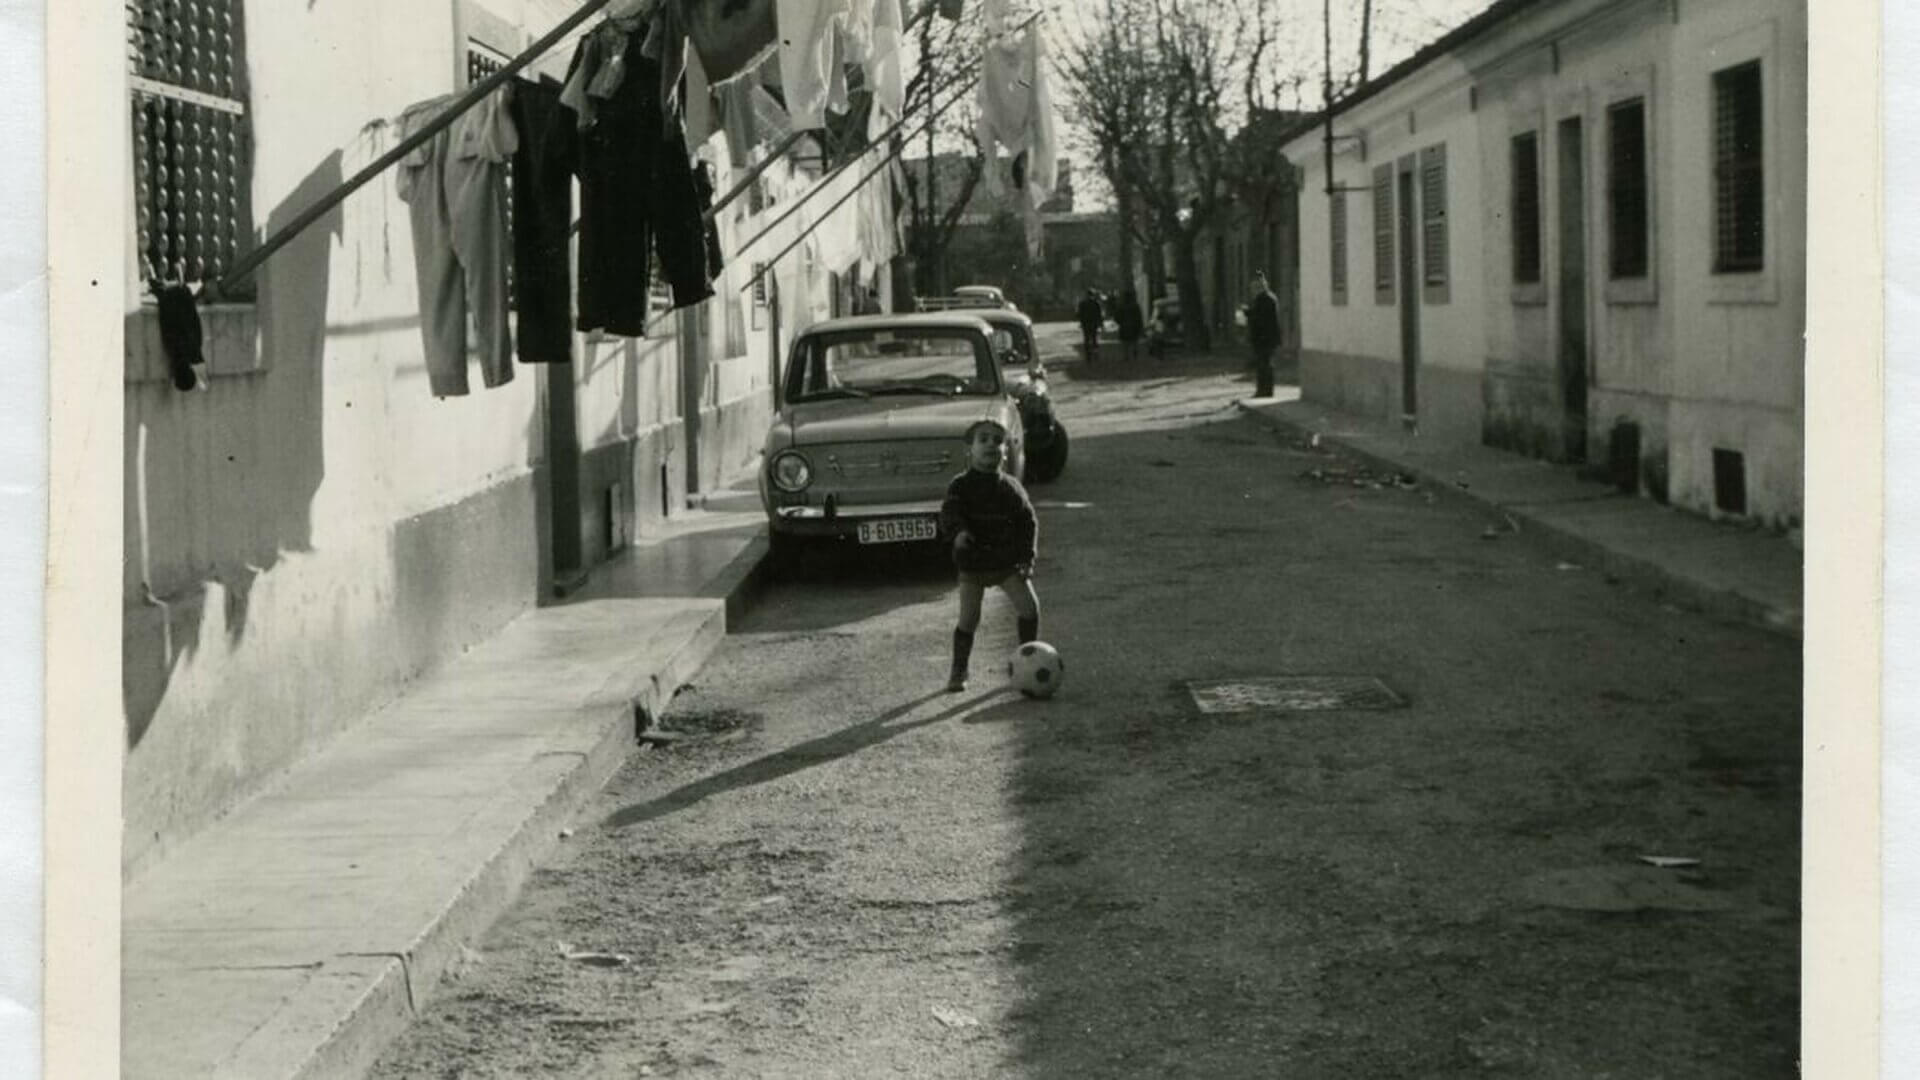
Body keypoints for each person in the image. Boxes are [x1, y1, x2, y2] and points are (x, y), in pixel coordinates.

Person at [939, 419, 1041, 692]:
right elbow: (950, 513)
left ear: (1005, 451)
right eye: (983, 439)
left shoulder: (1011, 488)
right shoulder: (960, 486)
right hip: (973, 564)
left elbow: (1028, 522)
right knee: (969, 618)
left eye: (997, 441)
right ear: (969, 450)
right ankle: (959, 669)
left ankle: (1026, 660)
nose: (990, 445)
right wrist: (959, 532)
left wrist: (1027, 558)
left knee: (1029, 608)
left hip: (1006, 563)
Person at [1246, 272, 1281, 398]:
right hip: (1267, 338)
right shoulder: (1268, 298)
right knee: (1265, 365)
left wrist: (1248, 314)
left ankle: (1264, 391)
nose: (1252, 290)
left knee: (1264, 365)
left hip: (1264, 338)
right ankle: (1265, 390)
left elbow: (1260, 319)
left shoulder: (1264, 299)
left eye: (1255, 287)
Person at [1075, 288, 1104, 366]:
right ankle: (1095, 354)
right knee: (1094, 339)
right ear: (1093, 295)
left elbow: (1078, 314)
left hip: (1086, 324)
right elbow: (1100, 315)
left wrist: (1081, 321)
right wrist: (1101, 324)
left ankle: (1088, 355)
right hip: (1094, 324)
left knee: (1087, 339)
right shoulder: (1096, 303)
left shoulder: (1082, 304)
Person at [1115, 287, 1144, 364]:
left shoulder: (1121, 306)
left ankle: (1126, 356)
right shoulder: (1135, 306)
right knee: (1134, 341)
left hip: (1124, 326)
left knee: (1125, 342)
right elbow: (1139, 317)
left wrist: (1120, 322)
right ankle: (1135, 355)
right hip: (1134, 326)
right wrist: (1140, 326)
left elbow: (1117, 316)